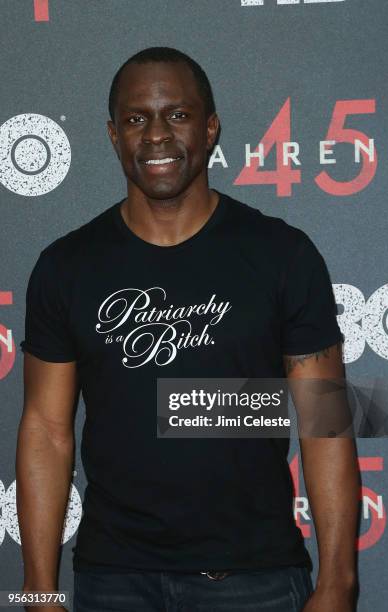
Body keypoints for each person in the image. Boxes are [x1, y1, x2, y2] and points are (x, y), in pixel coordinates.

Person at [16, 47, 359, 612]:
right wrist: (38, 590)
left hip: (258, 580)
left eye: (176, 115)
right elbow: (48, 431)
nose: (155, 135)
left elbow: (325, 422)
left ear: (210, 127)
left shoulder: (282, 256)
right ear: (112, 135)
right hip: (112, 581)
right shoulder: (66, 267)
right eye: (135, 119)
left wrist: (338, 583)